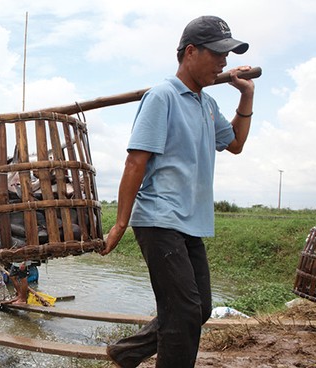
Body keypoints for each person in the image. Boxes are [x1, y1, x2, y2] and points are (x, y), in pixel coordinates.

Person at [100, 16, 254, 368]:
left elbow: (235, 144)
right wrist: (120, 224)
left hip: (190, 223)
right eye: (216, 54)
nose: (223, 63)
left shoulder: (206, 105)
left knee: (197, 308)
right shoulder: (163, 96)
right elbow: (135, 163)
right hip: (159, 219)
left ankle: (127, 353)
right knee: (182, 312)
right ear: (189, 53)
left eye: (226, 56)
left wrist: (246, 96)